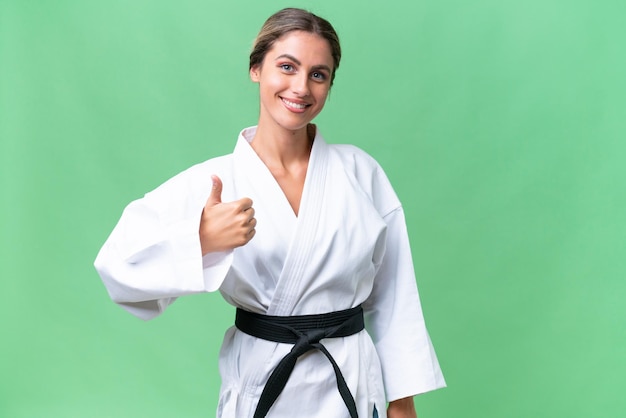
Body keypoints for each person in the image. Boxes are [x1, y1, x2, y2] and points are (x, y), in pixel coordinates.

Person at [94, 7, 445, 418]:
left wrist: (402, 399)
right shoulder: (215, 181)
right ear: (255, 69)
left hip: (349, 378)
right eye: (287, 67)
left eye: (318, 74)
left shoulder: (360, 173)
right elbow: (117, 267)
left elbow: (395, 291)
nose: (301, 87)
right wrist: (201, 241)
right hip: (263, 384)